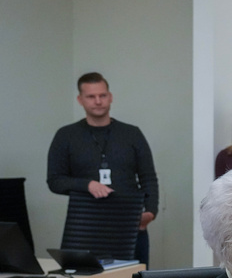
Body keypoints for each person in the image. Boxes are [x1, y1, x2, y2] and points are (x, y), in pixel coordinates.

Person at [47, 72, 159, 264]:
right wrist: (87, 184)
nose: (98, 101)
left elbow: (148, 177)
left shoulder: (131, 134)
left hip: (129, 223)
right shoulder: (66, 135)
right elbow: (55, 181)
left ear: (110, 97)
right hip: (84, 225)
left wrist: (149, 212)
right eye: (91, 96)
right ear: (80, 100)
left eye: (102, 95)